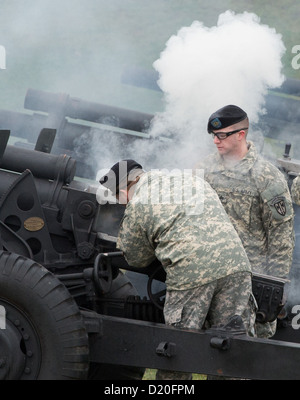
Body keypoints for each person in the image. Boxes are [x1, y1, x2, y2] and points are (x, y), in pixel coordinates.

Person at [99, 159, 255, 380]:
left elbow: (135, 258)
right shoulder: (192, 181)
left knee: (176, 355)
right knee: (231, 354)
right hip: (238, 269)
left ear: (124, 188)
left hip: (192, 275)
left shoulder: (139, 202)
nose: (121, 203)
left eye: (118, 197)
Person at [195, 104, 295, 338]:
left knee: (235, 354)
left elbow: (281, 238)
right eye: (213, 136)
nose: (215, 141)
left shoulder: (267, 177)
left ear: (241, 135)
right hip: (203, 275)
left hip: (246, 283)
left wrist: (275, 287)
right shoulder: (203, 169)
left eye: (221, 136)